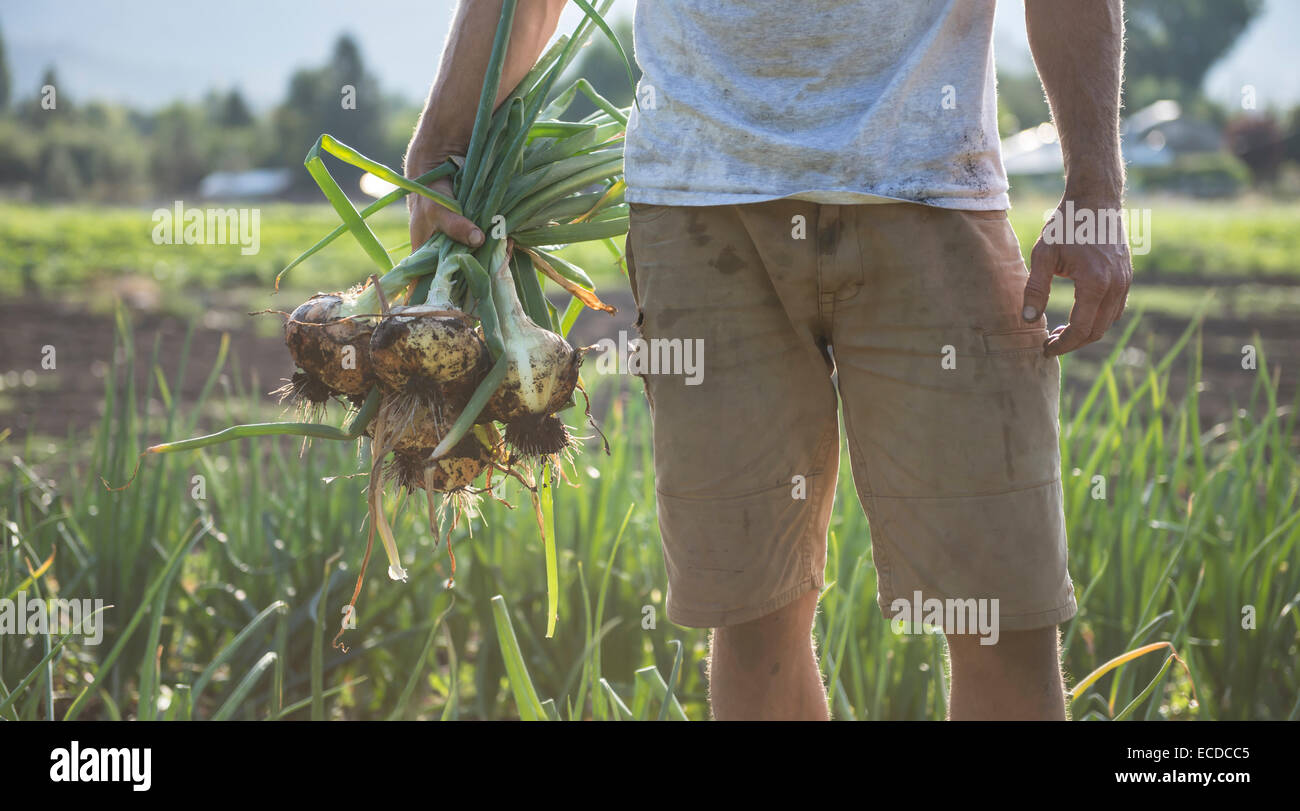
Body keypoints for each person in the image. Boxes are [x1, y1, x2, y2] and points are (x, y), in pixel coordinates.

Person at [406, 0, 1132, 721]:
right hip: (700, 210)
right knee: (751, 617)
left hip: (933, 188)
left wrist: (1096, 191)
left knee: (1000, 613)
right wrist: (437, 148)